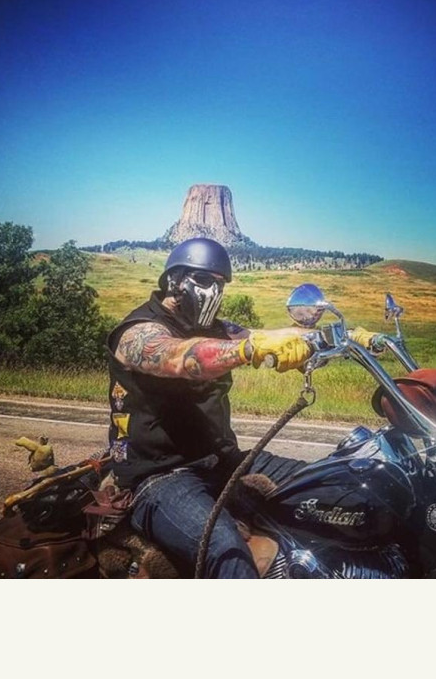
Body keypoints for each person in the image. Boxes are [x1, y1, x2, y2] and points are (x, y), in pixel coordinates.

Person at [106, 237, 314, 578]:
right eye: (203, 280)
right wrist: (249, 350)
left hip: (222, 461)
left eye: (220, 284)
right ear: (174, 280)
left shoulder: (216, 329)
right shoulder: (137, 332)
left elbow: (269, 333)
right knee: (225, 547)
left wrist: (348, 337)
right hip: (159, 476)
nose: (213, 292)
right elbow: (181, 357)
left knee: (326, 482)